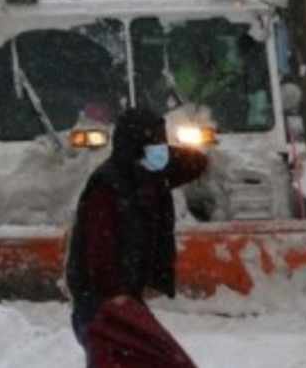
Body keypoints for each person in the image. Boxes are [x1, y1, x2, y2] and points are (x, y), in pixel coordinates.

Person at [65, 108, 207, 367]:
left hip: (125, 302)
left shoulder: (149, 176)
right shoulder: (108, 186)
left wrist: (162, 153)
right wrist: (114, 294)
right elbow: (99, 247)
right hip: (104, 306)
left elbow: (196, 163)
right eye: (155, 141)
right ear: (136, 145)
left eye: (163, 140)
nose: (162, 148)